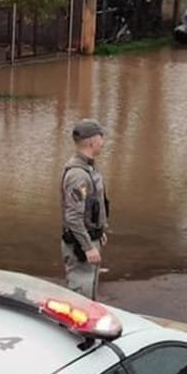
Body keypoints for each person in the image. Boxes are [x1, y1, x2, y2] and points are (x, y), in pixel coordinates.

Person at [61, 118, 110, 298]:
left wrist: (99, 229)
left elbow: (93, 206)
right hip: (79, 245)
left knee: (90, 294)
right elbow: (73, 217)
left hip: (89, 237)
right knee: (80, 298)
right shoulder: (77, 175)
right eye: (101, 138)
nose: (102, 143)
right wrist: (88, 247)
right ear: (91, 142)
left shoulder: (88, 168)